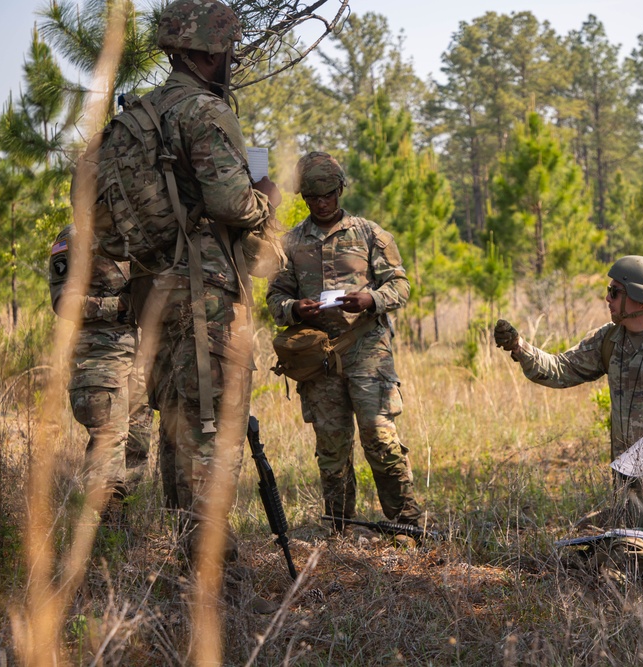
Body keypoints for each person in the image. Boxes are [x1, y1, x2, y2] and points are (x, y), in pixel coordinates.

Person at [125, 0, 281, 565]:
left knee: (176, 422)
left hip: (155, 291)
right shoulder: (203, 111)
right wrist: (265, 196)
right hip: (205, 291)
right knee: (214, 426)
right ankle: (212, 564)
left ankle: (189, 551)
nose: (231, 57)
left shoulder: (145, 111)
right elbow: (228, 201)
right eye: (226, 49)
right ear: (210, 52)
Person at [494, 256, 643, 535]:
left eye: (615, 292)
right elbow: (561, 369)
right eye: (609, 291)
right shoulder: (609, 339)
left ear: (641, 300)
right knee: (593, 536)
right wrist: (520, 347)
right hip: (633, 473)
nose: (607, 298)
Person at [266, 152, 423, 531]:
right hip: (317, 355)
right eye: (312, 198)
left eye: (328, 195)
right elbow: (275, 298)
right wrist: (295, 309)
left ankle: (406, 523)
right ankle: (339, 525)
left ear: (340, 190)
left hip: (367, 348)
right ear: (303, 197)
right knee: (332, 446)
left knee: (379, 435)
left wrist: (372, 299)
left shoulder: (370, 234)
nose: (321, 204)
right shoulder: (290, 243)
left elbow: (401, 285)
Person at [49, 224, 153, 515]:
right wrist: (117, 306)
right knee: (108, 443)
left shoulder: (138, 230)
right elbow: (62, 301)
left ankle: (121, 531)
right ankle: (103, 531)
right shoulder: (73, 237)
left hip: (139, 358)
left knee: (137, 446)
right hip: (99, 356)